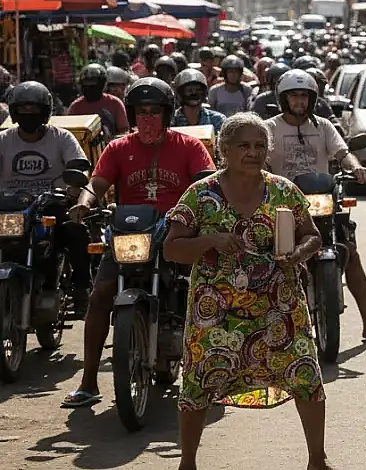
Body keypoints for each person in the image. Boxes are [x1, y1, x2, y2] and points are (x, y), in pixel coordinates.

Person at [165, 113, 332, 470]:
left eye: (260, 146)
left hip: (280, 307)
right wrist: (210, 239)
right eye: (243, 145)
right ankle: (187, 462)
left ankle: (317, 459)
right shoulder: (200, 195)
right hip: (216, 311)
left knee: (305, 375)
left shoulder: (284, 190)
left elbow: (313, 235)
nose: (252, 153)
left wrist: (299, 254)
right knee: (197, 383)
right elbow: (172, 248)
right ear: (224, 149)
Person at [63, 77, 216, 409]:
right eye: (141, 112)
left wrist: (202, 209)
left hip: (175, 232)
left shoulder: (189, 146)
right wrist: (85, 202)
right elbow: (97, 182)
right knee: (101, 293)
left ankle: (210, 372)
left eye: (154, 112)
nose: (147, 119)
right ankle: (89, 381)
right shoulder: (118, 148)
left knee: (204, 291)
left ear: (167, 114)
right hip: (129, 233)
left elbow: (207, 182)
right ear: (131, 115)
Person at [264, 70, 366, 347]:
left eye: (304, 96)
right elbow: (259, 159)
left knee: (352, 253)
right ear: (283, 99)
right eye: (294, 96)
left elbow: (342, 153)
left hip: (323, 197)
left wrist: (356, 167)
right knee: (270, 261)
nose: (299, 101)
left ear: (312, 99)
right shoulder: (270, 128)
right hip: (285, 204)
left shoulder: (322, 126)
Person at [0, 81, 93, 310]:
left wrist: (74, 186)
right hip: (12, 210)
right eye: (23, 109)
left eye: (34, 109)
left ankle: (82, 287)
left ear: (45, 111)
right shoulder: (4, 140)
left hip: (51, 206)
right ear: (13, 111)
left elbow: (80, 167)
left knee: (75, 230)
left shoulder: (61, 137)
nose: (28, 114)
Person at [67, 63, 130, 135]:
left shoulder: (115, 103)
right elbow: (69, 133)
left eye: (93, 86)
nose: (90, 90)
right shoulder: (76, 107)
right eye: (87, 85)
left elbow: (124, 131)